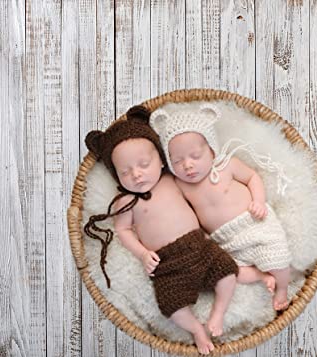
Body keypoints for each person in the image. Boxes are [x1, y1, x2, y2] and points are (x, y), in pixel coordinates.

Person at [83, 105, 238, 354]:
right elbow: (123, 231)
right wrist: (143, 254)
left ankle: (218, 313)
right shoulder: (126, 202)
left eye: (144, 163)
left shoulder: (172, 180)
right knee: (171, 307)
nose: (136, 174)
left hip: (199, 246)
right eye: (125, 171)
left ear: (161, 159)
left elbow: (197, 202)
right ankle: (197, 329)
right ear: (115, 175)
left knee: (228, 273)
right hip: (167, 263)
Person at [151, 103, 292, 310]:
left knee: (278, 257)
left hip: (253, 222)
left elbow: (253, 177)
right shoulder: (179, 185)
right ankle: (261, 276)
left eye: (195, 156)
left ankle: (282, 289)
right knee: (231, 271)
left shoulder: (227, 165)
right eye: (178, 161)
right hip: (223, 238)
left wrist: (259, 201)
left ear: (212, 150)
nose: (188, 165)